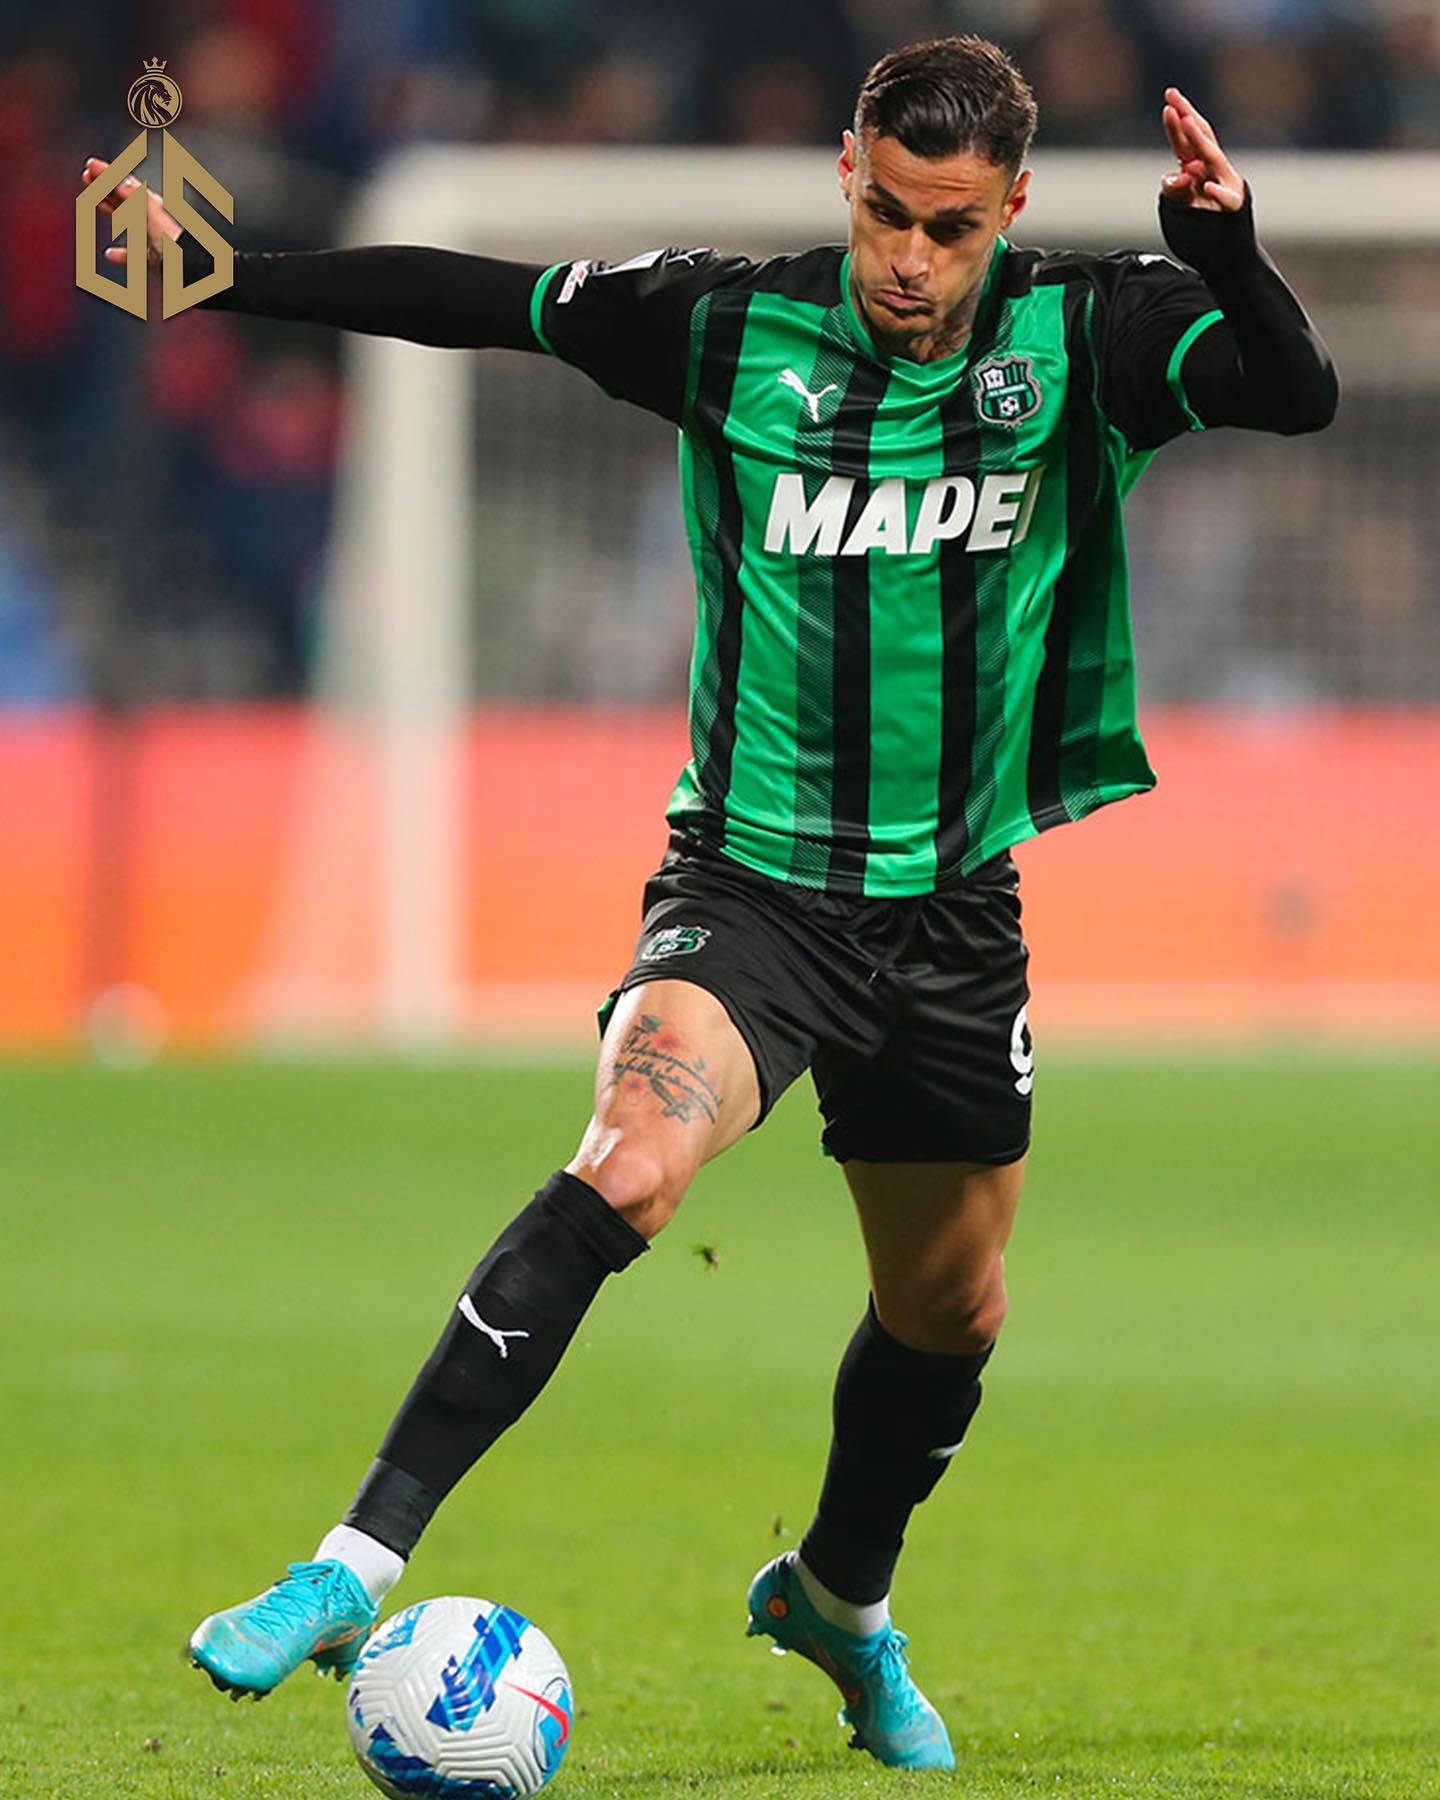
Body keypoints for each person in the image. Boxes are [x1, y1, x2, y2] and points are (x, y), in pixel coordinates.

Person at [85, 35, 1336, 1772]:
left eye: (951, 230)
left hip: (955, 915)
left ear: (1013, 210)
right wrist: (227, 274)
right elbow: (478, 300)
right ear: (846, 171)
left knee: (947, 1313)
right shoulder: (726, 324)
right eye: (887, 215)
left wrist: (1228, 250)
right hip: (750, 883)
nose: (909, 263)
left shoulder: (1086, 337)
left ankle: (839, 1598)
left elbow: (1296, 394)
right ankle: (347, 1563)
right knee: (632, 1160)